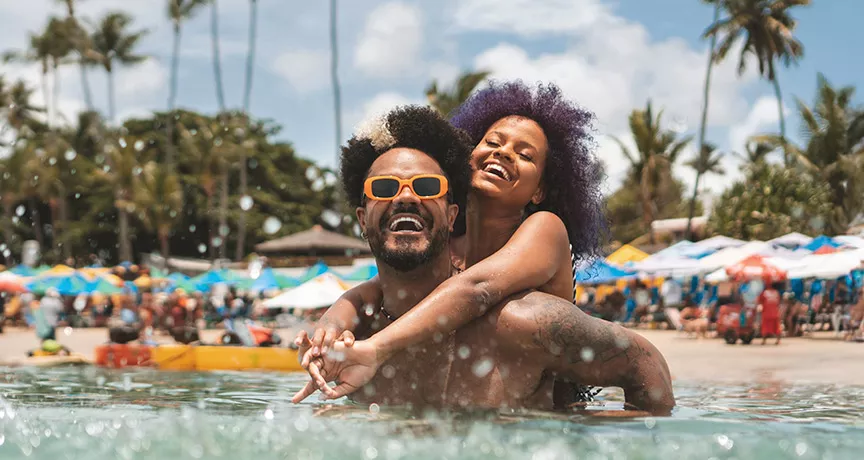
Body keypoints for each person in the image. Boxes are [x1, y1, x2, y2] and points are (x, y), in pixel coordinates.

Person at [292, 105, 674, 414]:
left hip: (551, 380)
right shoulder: (447, 246)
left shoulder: (543, 230)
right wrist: (333, 320)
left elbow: (477, 289)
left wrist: (377, 348)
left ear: (540, 190)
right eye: (492, 142)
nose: (504, 152)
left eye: (525, 154)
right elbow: (383, 284)